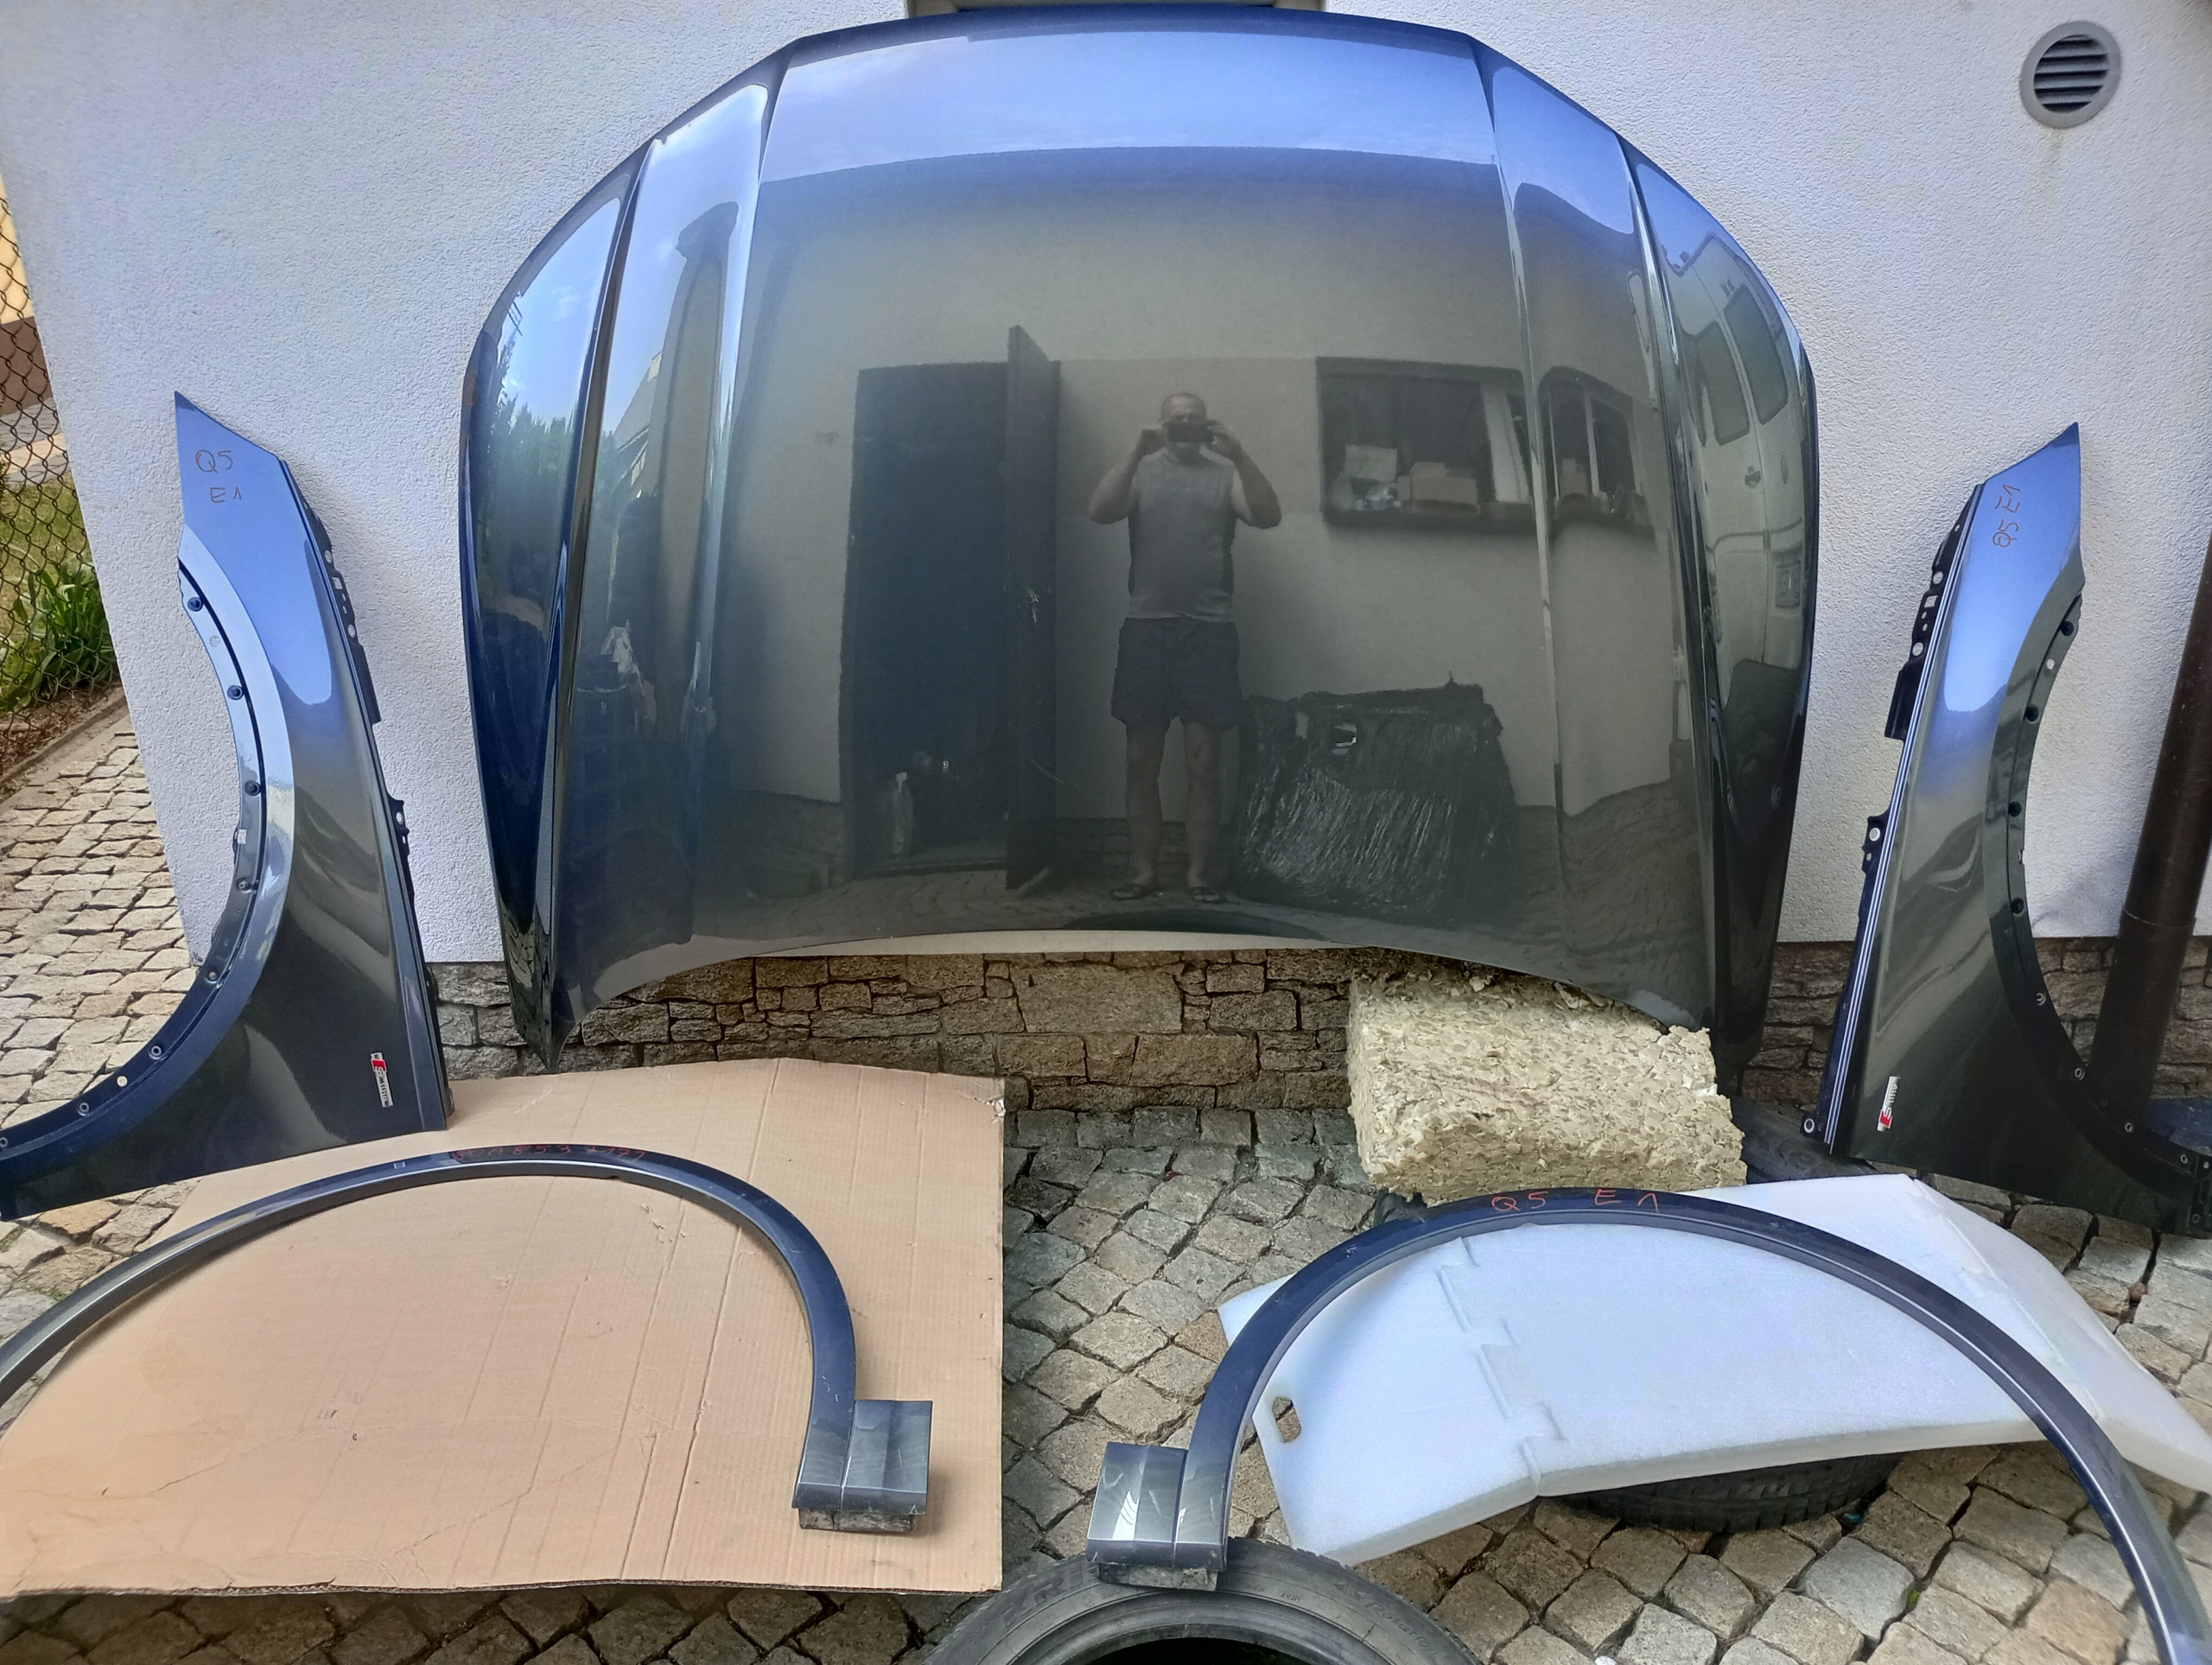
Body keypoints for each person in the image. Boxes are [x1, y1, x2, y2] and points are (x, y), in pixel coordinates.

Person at [1087, 391, 1281, 903]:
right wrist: (1136, 450)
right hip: (1146, 631)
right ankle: (1143, 873)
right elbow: (1100, 511)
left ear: (1207, 425)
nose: (1186, 425)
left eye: (1195, 419)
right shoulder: (1141, 472)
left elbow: (1268, 516)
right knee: (1140, 760)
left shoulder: (1225, 475)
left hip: (1208, 634)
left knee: (1204, 763)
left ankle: (1198, 876)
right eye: (1177, 419)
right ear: (1161, 424)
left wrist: (1240, 455)